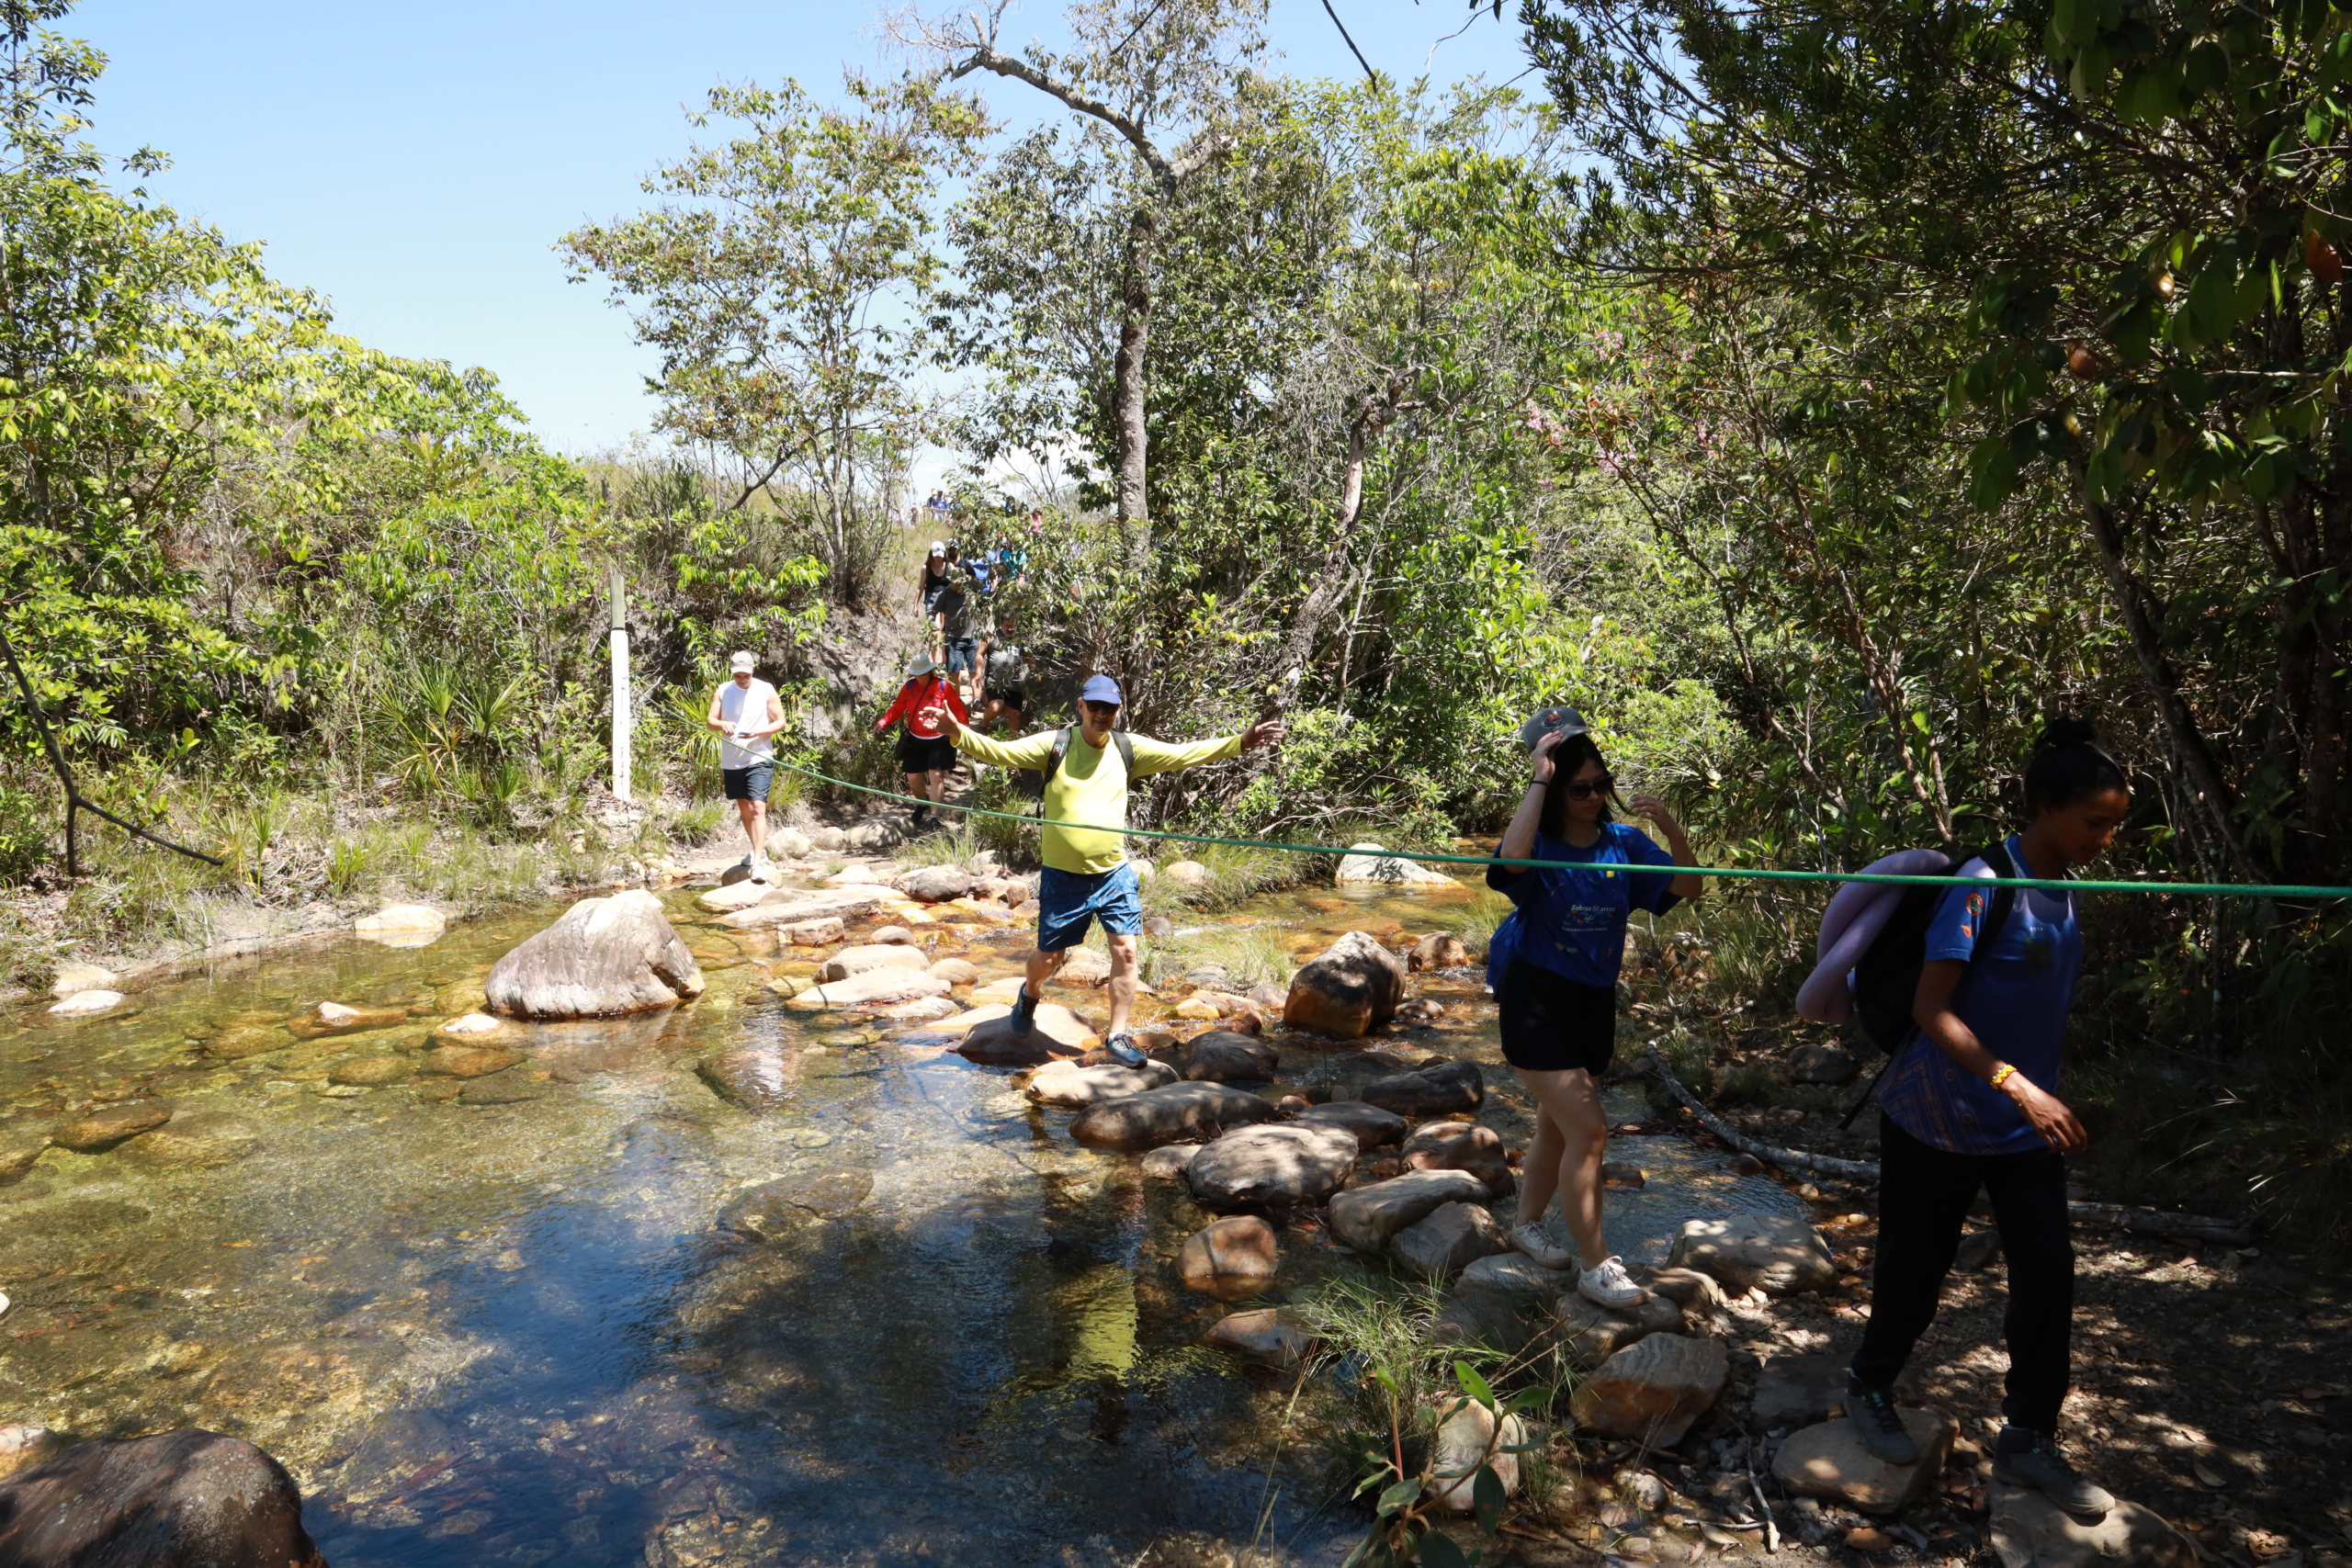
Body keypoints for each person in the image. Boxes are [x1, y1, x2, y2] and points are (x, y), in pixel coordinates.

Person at [1842, 720, 2131, 1519]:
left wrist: (2029, 1096)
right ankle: (1868, 1381)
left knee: (2049, 1276)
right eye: (2095, 822)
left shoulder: (2067, 878)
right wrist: (2020, 1084)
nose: (2106, 839)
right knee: (1915, 1266)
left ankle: (2029, 1436)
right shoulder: (1981, 882)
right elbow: (1932, 1008)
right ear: (2044, 808)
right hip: (1937, 1113)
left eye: (2114, 824)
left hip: (2016, 1124)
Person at [925, 675, 1282, 1066]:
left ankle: (1118, 1035)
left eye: (1109, 708)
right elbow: (1001, 751)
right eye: (1094, 706)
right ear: (1080, 707)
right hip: (1064, 876)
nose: (1101, 714)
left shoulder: (1129, 748)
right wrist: (957, 732)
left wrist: (1242, 742)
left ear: (1117, 711)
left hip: (1113, 872)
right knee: (1048, 960)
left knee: (1127, 952)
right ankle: (1029, 994)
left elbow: (1186, 753)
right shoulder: (1055, 744)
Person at [1487, 705, 1703, 1309]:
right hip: (1535, 1002)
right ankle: (1594, 1265)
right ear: (1556, 790)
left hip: (1592, 1004)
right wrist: (1537, 775)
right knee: (1590, 1128)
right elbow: (1508, 862)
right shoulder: (1541, 843)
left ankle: (1526, 1223)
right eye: (1577, 787)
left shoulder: (1624, 843)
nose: (1591, 796)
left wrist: (1670, 827)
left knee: (1556, 1125)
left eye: (1599, 785)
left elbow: (1690, 887)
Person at [705, 651, 786, 881]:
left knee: (758, 806)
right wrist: (723, 724)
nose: (742, 679)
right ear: (732, 673)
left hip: (759, 756)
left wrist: (760, 731)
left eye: (746, 675)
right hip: (732, 759)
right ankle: (755, 850)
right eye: (738, 675)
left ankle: (758, 862)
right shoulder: (723, 690)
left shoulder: (765, 689)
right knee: (744, 807)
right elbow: (711, 721)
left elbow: (780, 722)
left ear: (752, 671)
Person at [876, 654, 967, 829]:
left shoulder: (943, 686)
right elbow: (898, 708)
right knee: (913, 778)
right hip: (916, 738)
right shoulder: (909, 687)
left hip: (940, 738)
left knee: (936, 776)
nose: (921, 677)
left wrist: (965, 734)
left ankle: (934, 817)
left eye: (924, 673)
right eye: (917, 674)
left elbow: (958, 710)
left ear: (930, 671)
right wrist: (883, 722)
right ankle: (923, 803)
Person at [978, 610, 1027, 734]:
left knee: (1014, 714)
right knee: (995, 708)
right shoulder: (991, 636)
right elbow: (979, 655)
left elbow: (1029, 656)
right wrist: (978, 674)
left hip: (1015, 682)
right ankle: (983, 724)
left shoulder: (1021, 638)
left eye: (1013, 626)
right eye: (1007, 626)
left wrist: (1032, 669)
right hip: (995, 680)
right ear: (1001, 623)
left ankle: (1011, 742)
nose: (1010, 629)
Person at [933, 576, 980, 691]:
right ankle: (956, 700)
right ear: (951, 582)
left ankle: (977, 700)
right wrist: (934, 623)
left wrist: (981, 629)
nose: (959, 586)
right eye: (957, 583)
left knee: (975, 670)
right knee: (953, 671)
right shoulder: (945, 594)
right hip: (953, 638)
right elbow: (933, 610)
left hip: (972, 637)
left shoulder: (971, 594)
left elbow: (980, 612)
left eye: (962, 583)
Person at [920, 541, 955, 616]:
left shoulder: (950, 567)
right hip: (931, 599)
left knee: (944, 626)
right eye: (936, 557)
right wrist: (915, 605)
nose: (938, 559)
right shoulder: (926, 568)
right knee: (931, 624)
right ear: (931, 554)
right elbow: (921, 587)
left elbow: (955, 585)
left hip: (947, 600)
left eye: (940, 557)